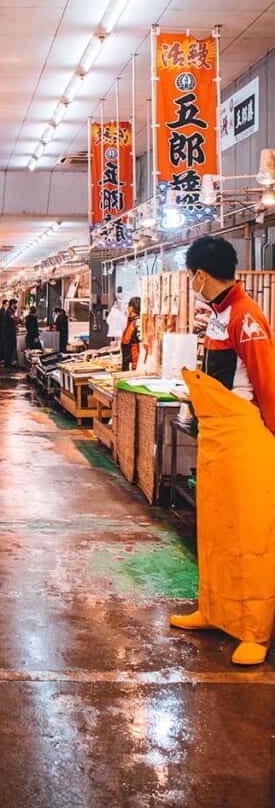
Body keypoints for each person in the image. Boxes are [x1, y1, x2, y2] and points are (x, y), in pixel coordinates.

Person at [170, 235, 275, 665]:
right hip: (216, 439)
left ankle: (253, 628)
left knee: (249, 536)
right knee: (214, 529)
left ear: (200, 275)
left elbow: (267, 383)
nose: (190, 281)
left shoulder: (247, 318)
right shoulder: (217, 314)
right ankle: (214, 609)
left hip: (246, 440)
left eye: (190, 275)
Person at [120, 297, 141, 371]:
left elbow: (139, 346)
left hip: (133, 368)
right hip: (128, 365)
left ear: (131, 308)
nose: (127, 309)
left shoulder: (137, 323)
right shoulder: (131, 322)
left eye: (128, 306)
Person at [2, 299, 19, 367]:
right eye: (15, 304)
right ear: (12, 304)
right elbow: (12, 320)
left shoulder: (10, 311)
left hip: (10, 332)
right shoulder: (9, 312)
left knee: (10, 347)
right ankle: (8, 363)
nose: (16, 305)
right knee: (9, 347)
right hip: (9, 333)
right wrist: (17, 320)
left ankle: (9, 362)